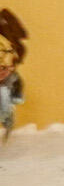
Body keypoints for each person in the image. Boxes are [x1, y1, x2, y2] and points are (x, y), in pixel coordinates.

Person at [0, 8, 27, 139]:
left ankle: (8, 124)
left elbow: (16, 52)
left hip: (6, 76)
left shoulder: (8, 43)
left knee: (4, 99)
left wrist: (10, 66)